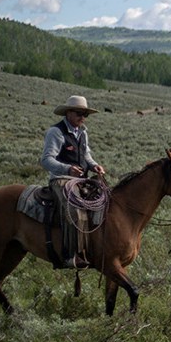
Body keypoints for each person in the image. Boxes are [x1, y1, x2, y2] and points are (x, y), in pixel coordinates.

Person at [41, 95, 107, 268]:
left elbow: (86, 156)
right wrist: (67, 169)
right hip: (61, 179)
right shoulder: (56, 132)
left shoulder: (82, 132)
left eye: (85, 114)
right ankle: (71, 255)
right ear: (68, 113)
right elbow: (46, 160)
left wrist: (94, 166)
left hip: (80, 179)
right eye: (79, 113)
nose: (82, 117)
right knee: (75, 210)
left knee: (105, 200)